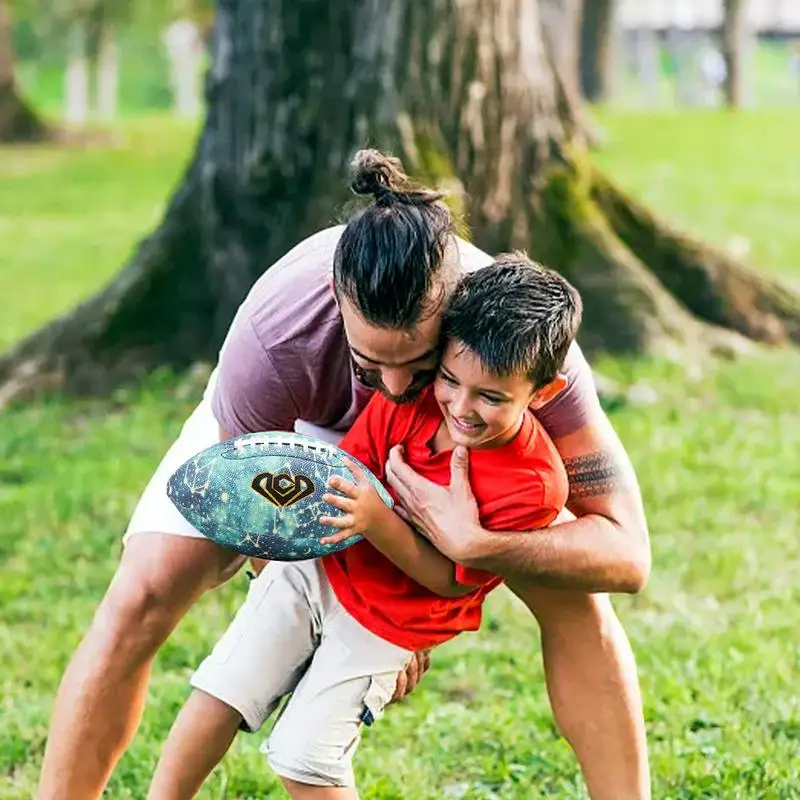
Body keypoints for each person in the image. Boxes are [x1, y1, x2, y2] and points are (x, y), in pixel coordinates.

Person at [39, 151, 651, 800]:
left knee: (577, 600)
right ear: (337, 302)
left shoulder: (508, 343)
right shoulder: (278, 334)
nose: (390, 385)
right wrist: (357, 612)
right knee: (143, 591)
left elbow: (625, 553)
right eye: (369, 364)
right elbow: (254, 509)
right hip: (299, 435)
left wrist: (472, 552)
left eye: (417, 366)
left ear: (454, 317)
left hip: (449, 443)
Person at [148, 256, 579, 798]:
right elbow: (346, 476)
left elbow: (449, 580)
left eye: (491, 397)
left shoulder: (533, 485)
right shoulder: (413, 400)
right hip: (315, 569)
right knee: (219, 692)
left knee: (304, 756)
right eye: (450, 379)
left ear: (542, 394)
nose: (461, 407)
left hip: (386, 624)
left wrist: (377, 519)